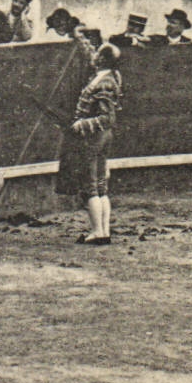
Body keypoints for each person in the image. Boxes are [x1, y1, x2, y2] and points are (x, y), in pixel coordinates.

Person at [71, 42, 124, 244]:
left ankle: (96, 232)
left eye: (97, 53)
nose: (93, 56)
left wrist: (81, 124)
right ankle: (103, 232)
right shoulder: (109, 78)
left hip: (94, 136)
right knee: (101, 184)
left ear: (102, 59)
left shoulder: (103, 82)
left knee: (91, 185)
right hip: (104, 135)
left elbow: (106, 118)